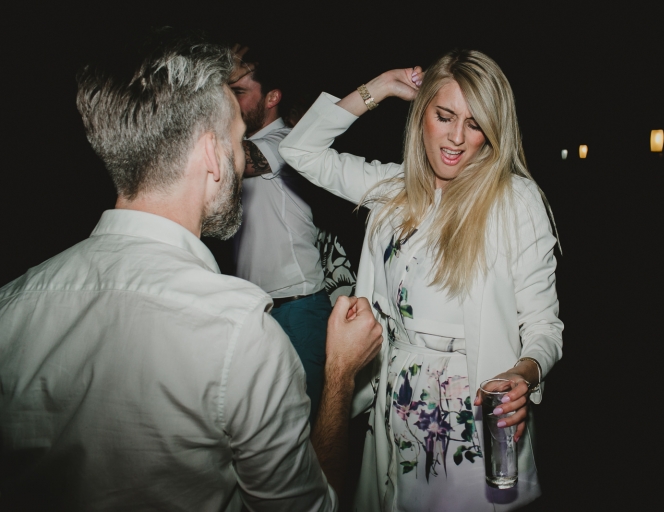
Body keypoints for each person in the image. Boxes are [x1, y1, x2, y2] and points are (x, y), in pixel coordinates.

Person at [0, 29, 382, 512]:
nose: (241, 153)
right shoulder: (237, 330)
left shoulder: (13, 304)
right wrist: (342, 373)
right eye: (238, 141)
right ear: (210, 154)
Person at [280, 49, 563, 511]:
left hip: (473, 413)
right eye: (444, 115)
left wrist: (522, 373)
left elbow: (545, 328)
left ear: (492, 131)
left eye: (474, 124)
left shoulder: (516, 200)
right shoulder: (393, 189)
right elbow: (298, 149)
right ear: (421, 113)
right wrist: (382, 86)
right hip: (397, 404)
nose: (456, 138)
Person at [227, 45, 335, 424]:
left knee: (307, 432)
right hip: (258, 308)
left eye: (238, 92)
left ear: (272, 98)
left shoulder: (285, 142)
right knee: (261, 429)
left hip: (297, 307)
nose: (229, 101)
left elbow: (228, 160)